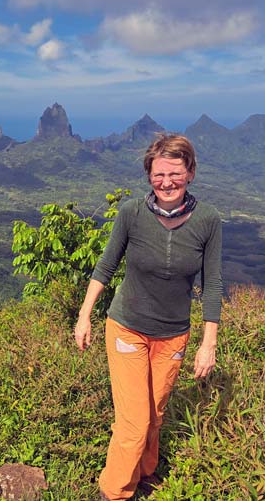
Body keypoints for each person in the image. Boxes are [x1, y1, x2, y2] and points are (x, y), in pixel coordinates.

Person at [74, 133, 222, 500]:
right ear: (148, 176)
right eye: (158, 175)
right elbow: (106, 265)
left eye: (175, 173)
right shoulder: (132, 213)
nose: (167, 182)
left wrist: (209, 344)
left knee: (154, 415)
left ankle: (145, 472)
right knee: (134, 420)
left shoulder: (208, 220)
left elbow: (213, 283)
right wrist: (84, 315)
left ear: (190, 172)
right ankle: (114, 492)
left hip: (173, 334)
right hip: (127, 327)